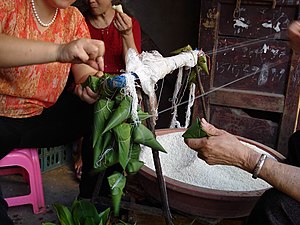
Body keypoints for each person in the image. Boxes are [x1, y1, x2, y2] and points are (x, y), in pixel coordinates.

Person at [0, 0, 105, 222]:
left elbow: (81, 69)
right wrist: (60, 50)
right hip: (3, 116)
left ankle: (93, 205)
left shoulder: (73, 18)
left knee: (104, 111)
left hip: (43, 116)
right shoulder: (9, 5)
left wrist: (92, 81)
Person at [73, 0, 141, 182]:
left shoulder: (129, 23)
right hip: (91, 87)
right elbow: (78, 69)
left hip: (120, 90)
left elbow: (135, 67)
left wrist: (126, 35)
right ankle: (86, 155)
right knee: (90, 110)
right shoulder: (80, 23)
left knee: (124, 112)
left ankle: (116, 165)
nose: (91, 0)